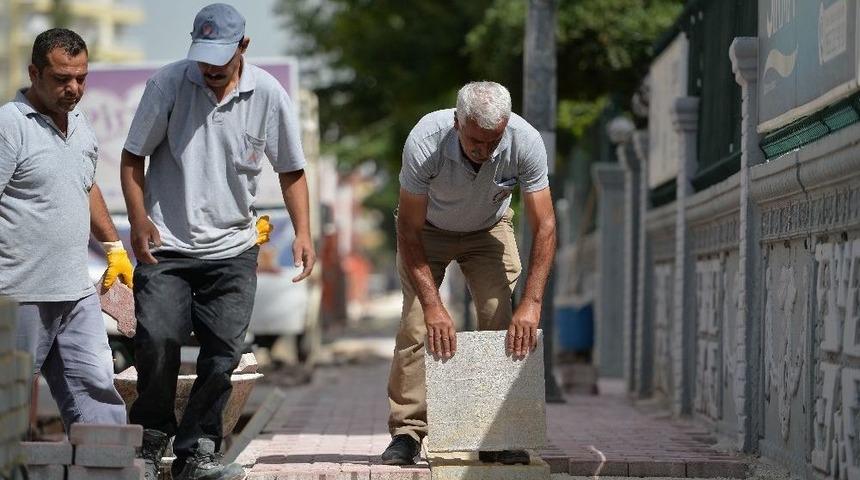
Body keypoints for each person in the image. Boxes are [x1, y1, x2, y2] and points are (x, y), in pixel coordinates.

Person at [120, 3, 315, 480]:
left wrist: (304, 233)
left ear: (243, 46)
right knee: (158, 340)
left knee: (223, 354)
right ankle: (151, 437)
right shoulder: (167, 85)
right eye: (203, 58)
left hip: (232, 249)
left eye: (220, 58)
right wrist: (139, 221)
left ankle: (199, 452)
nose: (209, 68)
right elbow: (132, 158)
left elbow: (291, 169)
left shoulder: (267, 94)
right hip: (166, 246)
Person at [382, 81, 556, 465]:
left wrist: (532, 302)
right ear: (457, 122)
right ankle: (408, 431)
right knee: (417, 323)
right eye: (476, 140)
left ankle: (497, 434)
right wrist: (433, 306)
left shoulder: (525, 141)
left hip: (488, 230)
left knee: (501, 318)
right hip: (427, 231)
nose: (485, 150)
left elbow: (544, 225)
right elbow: (408, 229)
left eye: (494, 141)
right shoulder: (426, 140)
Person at [0, 28, 132, 432]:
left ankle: (106, 463)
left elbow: (85, 185)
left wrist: (114, 247)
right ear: (34, 73)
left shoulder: (79, 122)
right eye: (61, 79)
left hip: (76, 293)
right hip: (20, 294)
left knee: (97, 392)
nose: (73, 88)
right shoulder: (9, 126)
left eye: (81, 78)